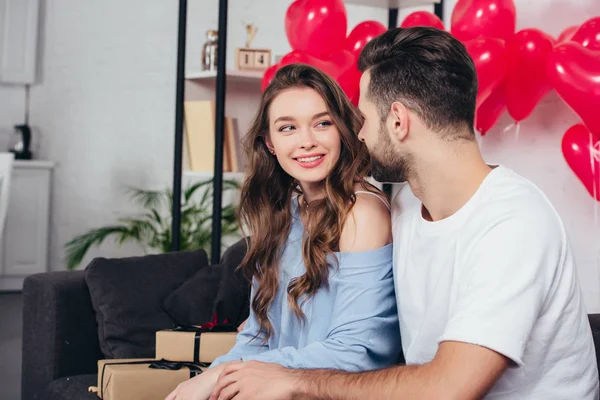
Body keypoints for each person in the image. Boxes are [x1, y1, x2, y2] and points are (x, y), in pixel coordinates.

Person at [207, 27, 600, 400]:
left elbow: (447, 389)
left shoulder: (513, 223)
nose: (357, 135)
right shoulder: (407, 208)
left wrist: (291, 379)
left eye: (365, 119)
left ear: (398, 120)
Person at [165, 63, 402, 400]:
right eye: (288, 127)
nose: (307, 142)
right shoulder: (283, 212)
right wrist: (209, 379)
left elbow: (356, 352)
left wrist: (222, 375)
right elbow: (259, 337)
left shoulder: (362, 212)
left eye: (322, 123)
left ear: (342, 131)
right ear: (270, 143)